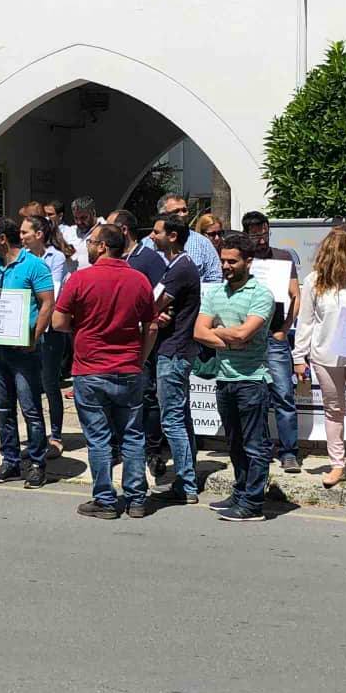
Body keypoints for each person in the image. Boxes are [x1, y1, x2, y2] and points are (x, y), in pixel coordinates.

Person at [53, 222, 155, 519]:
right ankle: (136, 499)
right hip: (128, 367)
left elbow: (58, 322)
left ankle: (105, 500)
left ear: (102, 246)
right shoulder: (139, 280)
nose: (87, 246)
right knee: (133, 435)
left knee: (99, 438)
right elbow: (151, 326)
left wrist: (82, 327)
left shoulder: (80, 279)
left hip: (90, 368)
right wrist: (141, 358)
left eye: (91, 242)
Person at [195, 234, 276, 523]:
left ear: (248, 262)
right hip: (224, 378)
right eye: (223, 261)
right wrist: (230, 339)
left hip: (251, 380)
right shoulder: (215, 292)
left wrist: (218, 332)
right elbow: (198, 332)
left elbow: (245, 333)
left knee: (255, 445)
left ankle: (253, 504)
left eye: (232, 261)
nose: (226, 266)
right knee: (235, 443)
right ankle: (240, 492)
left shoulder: (261, 294)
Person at [293, 226, 346, 488]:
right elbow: (306, 321)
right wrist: (299, 357)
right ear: (337, 248)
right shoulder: (314, 280)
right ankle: (337, 465)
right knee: (333, 410)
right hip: (325, 355)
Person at [0, 217, 55, 486]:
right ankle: (10, 461)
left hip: (24, 350)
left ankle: (36, 463)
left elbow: (48, 303)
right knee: (3, 408)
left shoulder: (35, 265)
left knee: (30, 408)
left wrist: (35, 337)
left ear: (2, 239)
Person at [146, 212, 204, 505]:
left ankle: (186, 484)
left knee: (172, 420)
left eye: (157, 232)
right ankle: (188, 477)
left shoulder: (181, 268)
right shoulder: (176, 265)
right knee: (180, 416)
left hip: (174, 351)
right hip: (176, 349)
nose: (152, 236)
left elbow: (153, 304)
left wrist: (155, 313)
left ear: (172, 236)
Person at [240, 212, 303, 473]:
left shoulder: (283, 257)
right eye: (255, 234)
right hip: (250, 337)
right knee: (256, 397)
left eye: (264, 232)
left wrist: (285, 329)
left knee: (284, 394)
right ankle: (261, 450)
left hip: (275, 336)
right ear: (247, 234)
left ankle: (289, 452)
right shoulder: (244, 260)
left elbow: (296, 296)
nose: (261, 238)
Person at [120, 211, 170, 475]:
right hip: (120, 339)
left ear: (124, 230)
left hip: (145, 337)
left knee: (147, 393)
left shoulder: (149, 259)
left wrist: (160, 315)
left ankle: (153, 449)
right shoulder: (114, 258)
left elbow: (163, 293)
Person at [24, 212, 72, 456]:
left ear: (39, 234)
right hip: (26, 325)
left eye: (25, 232)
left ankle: (56, 435)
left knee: (50, 383)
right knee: (29, 384)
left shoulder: (56, 257)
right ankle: (35, 436)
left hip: (50, 330)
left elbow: (50, 291)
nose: (21, 236)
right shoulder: (22, 257)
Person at [146, 194, 220, 284]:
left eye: (184, 210)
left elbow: (215, 277)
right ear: (162, 215)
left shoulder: (203, 243)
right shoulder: (148, 244)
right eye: (176, 211)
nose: (182, 214)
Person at [60, 197, 99, 271]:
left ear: (93, 213)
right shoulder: (69, 232)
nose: (79, 222)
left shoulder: (104, 230)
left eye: (83, 218)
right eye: (76, 218)